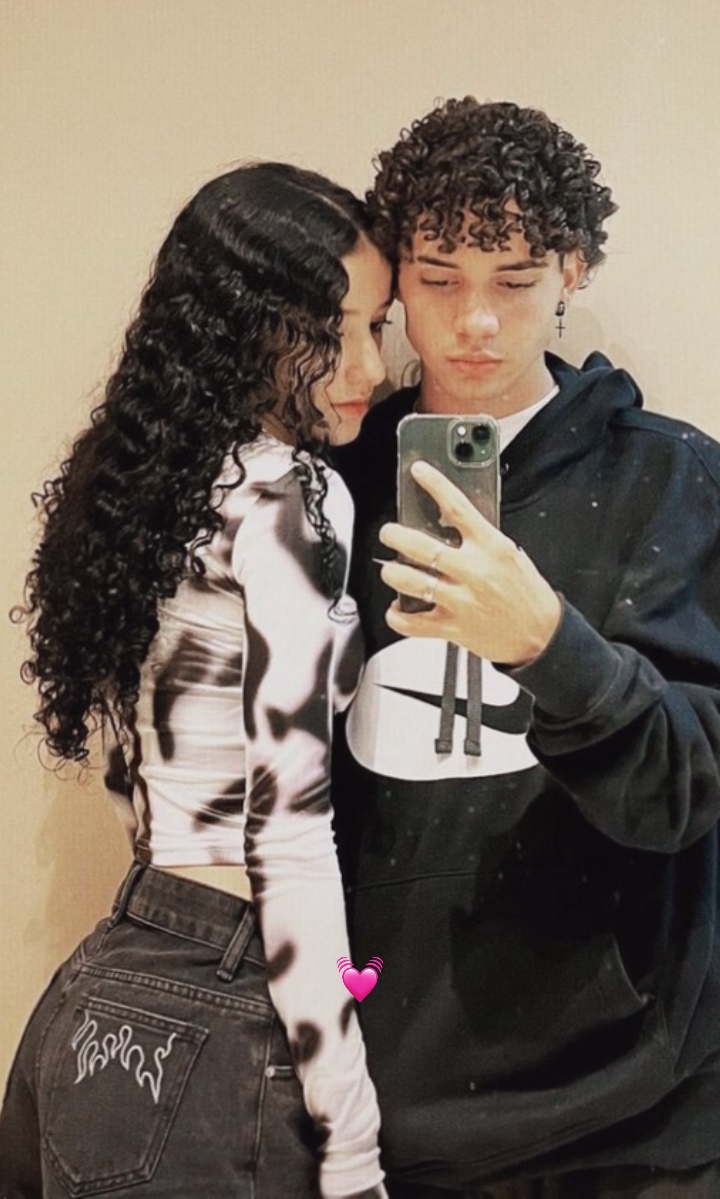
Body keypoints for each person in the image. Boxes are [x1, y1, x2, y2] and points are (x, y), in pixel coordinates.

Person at [332, 99, 720, 1198]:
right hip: (384, 1116)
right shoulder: (328, 490)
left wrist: (548, 643)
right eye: (439, 277)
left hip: (635, 1123)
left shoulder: (672, 479)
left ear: (572, 272)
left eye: (513, 279)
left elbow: (688, 786)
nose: (476, 321)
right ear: (395, 282)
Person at [0, 161, 393, 1198]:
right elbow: (288, 832)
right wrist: (351, 1134)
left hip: (105, 986)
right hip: (224, 1007)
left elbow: (137, 772)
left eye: (377, 324)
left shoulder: (146, 475)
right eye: (331, 332)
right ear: (248, 328)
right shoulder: (293, 495)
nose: (370, 364)